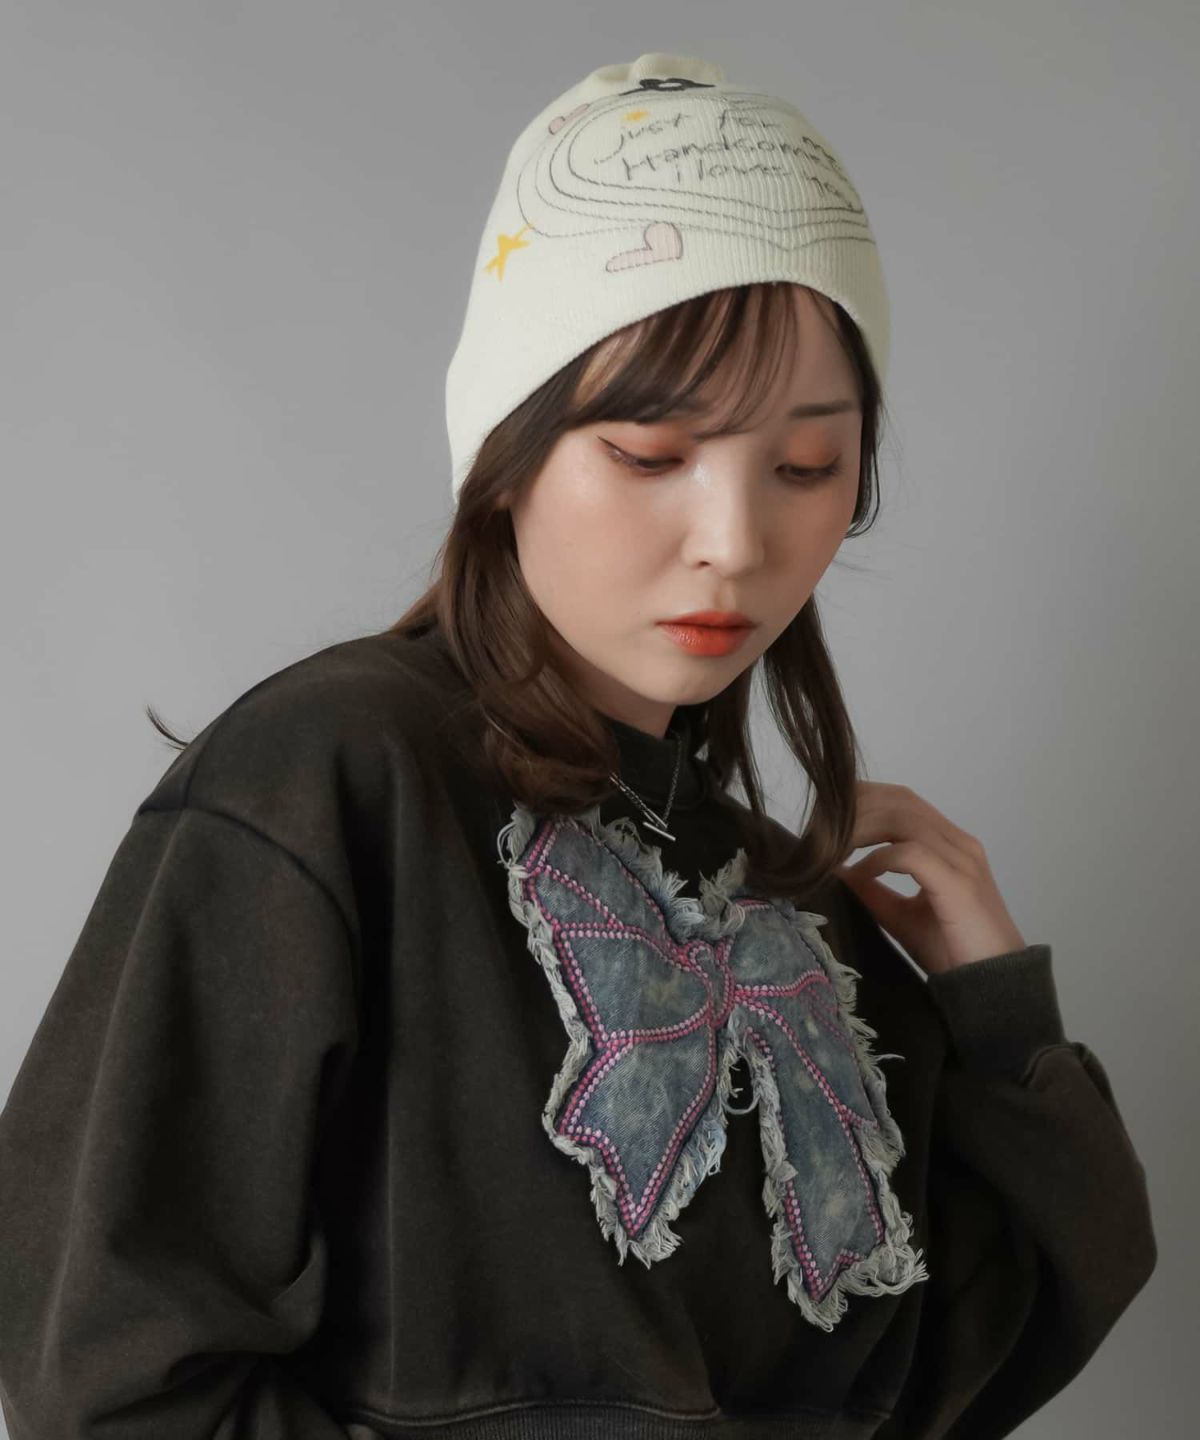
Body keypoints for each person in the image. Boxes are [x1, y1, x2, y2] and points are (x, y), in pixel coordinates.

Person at [0, 51, 1156, 1440]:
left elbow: (951, 1369)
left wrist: (996, 1012)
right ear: (509, 448)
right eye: (651, 453)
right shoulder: (335, 778)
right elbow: (111, 1383)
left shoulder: (792, 917)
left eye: (806, 467)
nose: (735, 539)